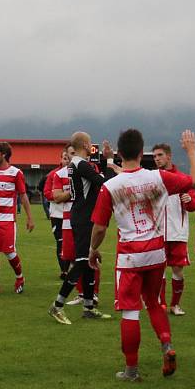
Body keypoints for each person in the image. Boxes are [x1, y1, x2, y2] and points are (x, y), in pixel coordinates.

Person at [89, 128, 195, 381]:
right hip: (156, 252)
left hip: (130, 255)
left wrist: (93, 249)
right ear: (143, 153)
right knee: (153, 302)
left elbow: (99, 228)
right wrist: (192, 151)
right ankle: (166, 345)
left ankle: (131, 370)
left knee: (130, 311)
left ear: (120, 154)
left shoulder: (110, 186)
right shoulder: (158, 178)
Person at [47, 133, 113, 323]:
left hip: (83, 215)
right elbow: (105, 183)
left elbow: (95, 182)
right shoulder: (80, 164)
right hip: (83, 217)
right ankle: (57, 305)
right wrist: (109, 160)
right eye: (90, 141)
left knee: (89, 260)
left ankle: (88, 307)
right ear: (85, 144)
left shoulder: (77, 164)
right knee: (83, 261)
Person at [152, 143, 195, 316]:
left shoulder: (183, 178)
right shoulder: (153, 179)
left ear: (169, 156)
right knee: (159, 270)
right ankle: (161, 303)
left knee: (178, 270)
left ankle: (175, 304)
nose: (157, 159)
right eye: (155, 156)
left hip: (177, 233)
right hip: (157, 233)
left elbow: (194, 206)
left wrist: (189, 200)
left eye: (160, 155)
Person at [0, 141, 35, 295]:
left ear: (3, 154)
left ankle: (20, 278)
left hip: (6, 219)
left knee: (9, 252)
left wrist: (29, 218)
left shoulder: (16, 173)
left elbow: (23, 196)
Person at [43, 146, 73, 280]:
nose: (67, 160)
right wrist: (60, 197)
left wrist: (63, 196)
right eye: (64, 158)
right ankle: (64, 270)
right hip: (57, 214)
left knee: (72, 242)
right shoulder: (54, 174)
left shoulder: (77, 173)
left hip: (72, 214)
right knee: (60, 242)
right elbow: (47, 192)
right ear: (60, 159)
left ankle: (72, 266)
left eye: (68, 158)